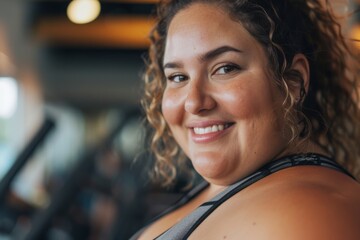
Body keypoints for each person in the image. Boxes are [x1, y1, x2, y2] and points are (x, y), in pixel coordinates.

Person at [132, 0, 360, 239]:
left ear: (293, 79)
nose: (193, 102)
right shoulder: (235, 188)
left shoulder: (308, 213)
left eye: (225, 68)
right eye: (178, 77)